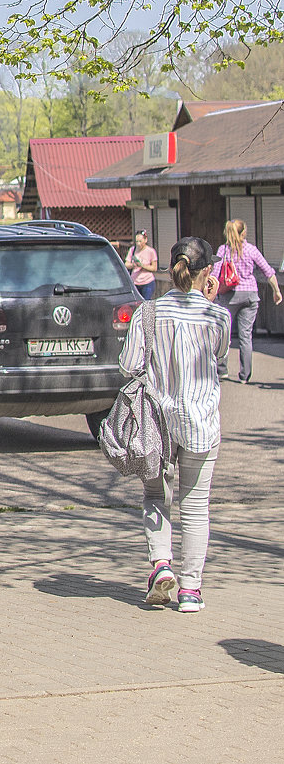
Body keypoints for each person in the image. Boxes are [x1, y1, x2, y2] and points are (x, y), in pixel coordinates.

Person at [120, 237, 229, 613]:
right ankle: (191, 591)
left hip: (156, 425)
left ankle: (161, 564)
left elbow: (129, 365)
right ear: (207, 272)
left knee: (156, 496)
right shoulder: (218, 317)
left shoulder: (148, 313)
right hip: (201, 421)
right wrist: (209, 303)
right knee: (196, 506)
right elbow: (221, 358)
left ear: (170, 270)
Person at [214, 219, 283, 383]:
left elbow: (214, 275)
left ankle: (222, 369)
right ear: (243, 232)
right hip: (250, 295)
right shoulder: (251, 250)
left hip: (229, 296)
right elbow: (268, 271)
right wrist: (276, 291)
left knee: (224, 333)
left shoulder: (223, 250)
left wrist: (209, 295)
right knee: (246, 336)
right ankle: (245, 375)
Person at [124, 230, 158, 300]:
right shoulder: (132, 250)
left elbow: (154, 268)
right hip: (135, 282)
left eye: (140, 241)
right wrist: (133, 265)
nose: (138, 244)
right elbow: (126, 264)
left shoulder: (151, 251)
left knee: (146, 302)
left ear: (145, 240)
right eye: (137, 241)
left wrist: (142, 266)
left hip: (147, 282)